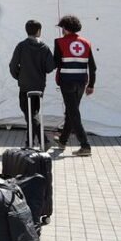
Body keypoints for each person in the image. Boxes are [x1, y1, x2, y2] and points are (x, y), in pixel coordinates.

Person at [53, 15, 96, 157]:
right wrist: (91, 85)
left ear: (65, 28)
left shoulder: (59, 42)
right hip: (82, 82)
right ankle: (63, 141)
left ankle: (85, 145)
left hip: (67, 82)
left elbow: (57, 63)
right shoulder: (86, 43)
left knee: (73, 113)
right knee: (72, 112)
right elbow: (93, 67)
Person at [8, 20, 55, 148]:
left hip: (24, 86)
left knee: (30, 115)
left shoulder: (21, 46)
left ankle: (43, 141)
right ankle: (30, 143)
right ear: (39, 31)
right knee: (33, 114)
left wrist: (19, 77)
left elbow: (12, 65)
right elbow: (50, 67)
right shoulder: (44, 47)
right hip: (39, 86)